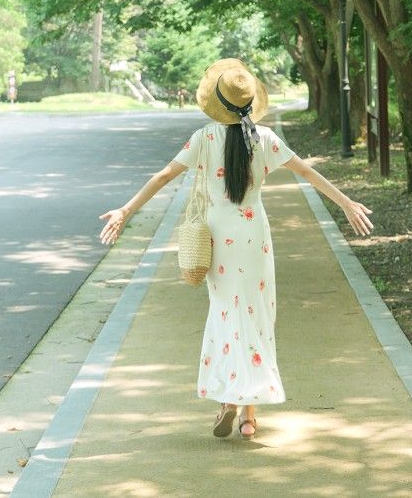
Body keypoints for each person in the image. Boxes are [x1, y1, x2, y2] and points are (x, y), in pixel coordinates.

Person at [99, 58, 373, 440]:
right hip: (253, 236)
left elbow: (163, 176)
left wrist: (127, 209)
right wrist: (346, 203)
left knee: (226, 313)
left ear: (217, 101)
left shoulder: (203, 139)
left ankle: (228, 397)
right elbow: (308, 172)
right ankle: (248, 416)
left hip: (218, 235)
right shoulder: (264, 139)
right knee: (258, 315)